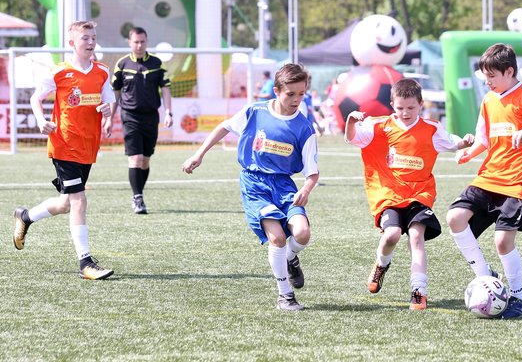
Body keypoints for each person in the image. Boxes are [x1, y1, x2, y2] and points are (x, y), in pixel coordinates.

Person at [182, 63, 319, 311]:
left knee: (302, 233)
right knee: (277, 238)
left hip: (284, 185)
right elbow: (224, 127)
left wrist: (306, 190)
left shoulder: (304, 128)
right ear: (276, 90)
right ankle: (285, 295)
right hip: (254, 184)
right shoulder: (255, 112)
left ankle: (291, 258)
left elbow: (312, 172)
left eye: (301, 94)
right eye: (291, 94)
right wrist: (199, 155)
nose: (296, 99)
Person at [446, 43, 522, 319]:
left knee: (502, 241)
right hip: (492, 175)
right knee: (455, 218)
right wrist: (468, 154)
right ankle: (485, 276)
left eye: (492, 76)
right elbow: (484, 138)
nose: (488, 82)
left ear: (509, 71)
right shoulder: (488, 100)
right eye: (485, 76)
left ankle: (520, 300)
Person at [345, 78, 473, 310]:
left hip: (419, 194)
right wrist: (350, 122)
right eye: (400, 108)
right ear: (392, 104)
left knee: (416, 236)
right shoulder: (379, 126)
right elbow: (353, 138)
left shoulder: (431, 129)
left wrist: (465, 142)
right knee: (392, 235)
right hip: (388, 194)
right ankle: (381, 265)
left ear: (421, 104)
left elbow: (453, 142)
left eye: (411, 108)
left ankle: (418, 291)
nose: (405, 112)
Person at [13, 20, 116, 280]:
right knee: (79, 200)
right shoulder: (58, 72)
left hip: (88, 145)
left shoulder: (102, 71)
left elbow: (109, 101)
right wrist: (40, 120)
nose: (91, 43)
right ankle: (86, 263)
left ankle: (25, 216)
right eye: (85, 39)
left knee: (66, 203)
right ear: (72, 43)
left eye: (93, 38)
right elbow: (36, 98)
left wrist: (107, 114)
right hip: (64, 144)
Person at [112, 27, 173, 214]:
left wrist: (168, 112)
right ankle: (137, 198)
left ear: (147, 41)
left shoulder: (157, 63)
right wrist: (109, 117)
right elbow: (116, 92)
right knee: (136, 158)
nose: (139, 45)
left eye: (142, 41)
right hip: (130, 116)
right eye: (136, 42)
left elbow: (166, 89)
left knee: (145, 161)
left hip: (150, 117)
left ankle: (139, 193)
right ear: (129, 42)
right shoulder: (121, 64)